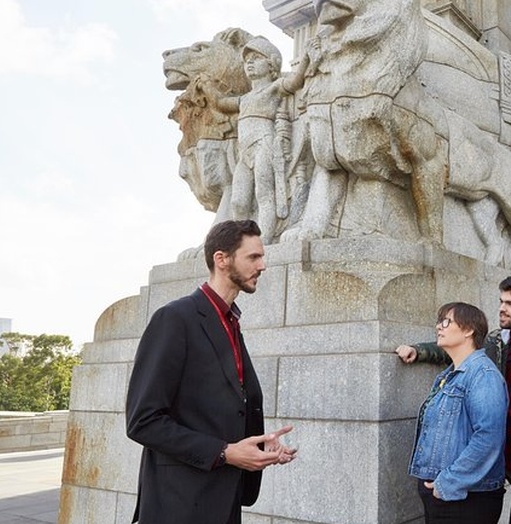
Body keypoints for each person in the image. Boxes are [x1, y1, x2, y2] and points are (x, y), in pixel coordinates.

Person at [126, 220, 297, 524]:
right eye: (253, 257)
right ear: (222, 259)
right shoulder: (175, 319)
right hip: (178, 506)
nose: (263, 265)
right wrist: (225, 452)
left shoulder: (230, 322)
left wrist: (258, 446)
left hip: (224, 499)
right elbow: (143, 421)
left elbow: (223, 409)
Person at [396, 275, 511, 524]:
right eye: (501, 301)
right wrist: (418, 351)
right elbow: (462, 347)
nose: (501, 309)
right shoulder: (496, 342)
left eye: (510, 304)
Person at [408, 302, 509, 523]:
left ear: (468, 330)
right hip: (444, 496)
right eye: (439, 321)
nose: (439, 327)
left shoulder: (483, 375)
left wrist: (448, 482)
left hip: (466, 499)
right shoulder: (450, 375)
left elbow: (488, 438)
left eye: (446, 321)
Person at [204, 37, 309, 245]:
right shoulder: (245, 98)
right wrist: (207, 85)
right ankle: (242, 244)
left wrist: (305, 58)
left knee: (264, 194)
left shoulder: (273, 88)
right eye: (247, 60)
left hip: (264, 144)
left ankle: (266, 240)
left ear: (271, 64)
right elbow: (221, 103)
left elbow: (296, 81)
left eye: (256, 58)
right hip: (244, 153)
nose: (249, 63)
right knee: (239, 201)